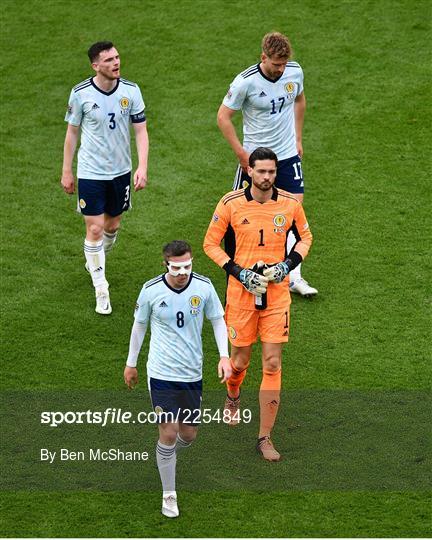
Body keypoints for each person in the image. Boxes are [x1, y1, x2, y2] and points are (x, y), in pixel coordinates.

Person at [203, 147, 313, 461]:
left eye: (271, 172)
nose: (266, 177)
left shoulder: (290, 204)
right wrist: (238, 273)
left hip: (277, 295)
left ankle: (265, 438)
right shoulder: (230, 204)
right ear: (249, 171)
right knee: (238, 362)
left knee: (273, 363)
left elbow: (306, 238)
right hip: (240, 296)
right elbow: (210, 243)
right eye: (261, 171)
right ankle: (233, 395)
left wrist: (286, 267)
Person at [124, 240, 231, 518]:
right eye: (176, 267)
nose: (182, 272)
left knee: (189, 434)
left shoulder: (204, 287)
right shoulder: (150, 291)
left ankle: (165, 455)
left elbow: (218, 320)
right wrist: (131, 363)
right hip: (161, 374)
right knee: (169, 432)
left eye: (187, 265)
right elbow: (139, 325)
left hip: (191, 374)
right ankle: (168, 495)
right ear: (166, 265)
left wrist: (224, 356)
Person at [217, 31, 317, 297]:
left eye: (284, 64)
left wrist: (298, 137)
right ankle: (239, 271)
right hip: (257, 159)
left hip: (286, 155)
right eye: (275, 64)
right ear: (263, 57)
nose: (280, 69)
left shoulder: (294, 72)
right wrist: (241, 154)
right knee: (240, 212)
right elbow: (223, 117)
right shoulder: (245, 82)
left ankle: (292, 275)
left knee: (293, 210)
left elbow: (300, 100)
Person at [61, 41, 149, 315]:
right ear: (95, 65)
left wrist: (142, 166)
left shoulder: (131, 91)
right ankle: (101, 286)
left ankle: (94, 259)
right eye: (109, 60)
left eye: (117, 57)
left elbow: (141, 131)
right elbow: (72, 133)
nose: (116, 63)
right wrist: (67, 170)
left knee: (113, 226)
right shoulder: (81, 94)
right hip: (90, 172)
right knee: (95, 228)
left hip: (120, 172)